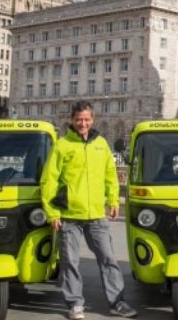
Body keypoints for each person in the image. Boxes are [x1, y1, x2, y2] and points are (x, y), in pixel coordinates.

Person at [40, 101, 137, 320]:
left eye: (86, 119)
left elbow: (110, 175)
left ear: (92, 120)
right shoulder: (62, 145)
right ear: (72, 120)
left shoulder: (101, 144)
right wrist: (52, 212)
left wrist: (113, 201)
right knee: (70, 262)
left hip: (96, 215)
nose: (82, 123)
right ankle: (75, 304)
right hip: (69, 216)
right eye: (78, 120)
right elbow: (49, 180)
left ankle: (117, 302)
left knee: (108, 258)